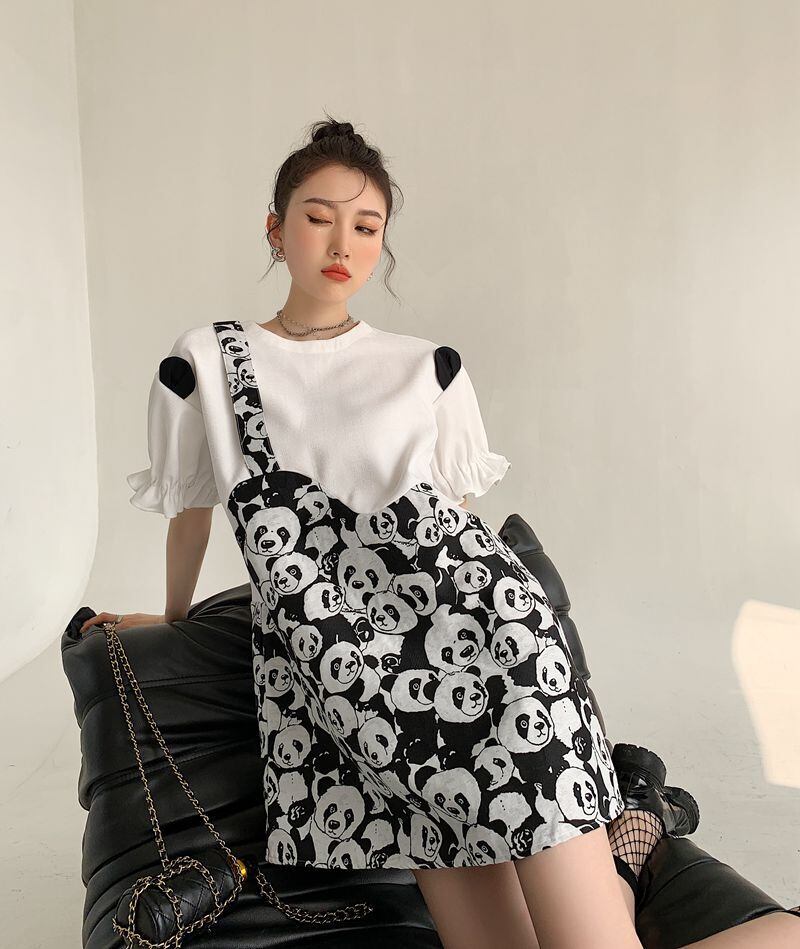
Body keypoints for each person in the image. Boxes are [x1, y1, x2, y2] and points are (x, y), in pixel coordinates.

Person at [80, 116, 800, 948]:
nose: (343, 243)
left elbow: (456, 534)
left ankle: (645, 846)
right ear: (275, 228)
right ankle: (632, 840)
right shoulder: (206, 361)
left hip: (492, 655)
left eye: (367, 226)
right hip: (359, 698)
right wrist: (170, 619)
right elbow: (192, 510)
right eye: (318, 217)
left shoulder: (429, 367)